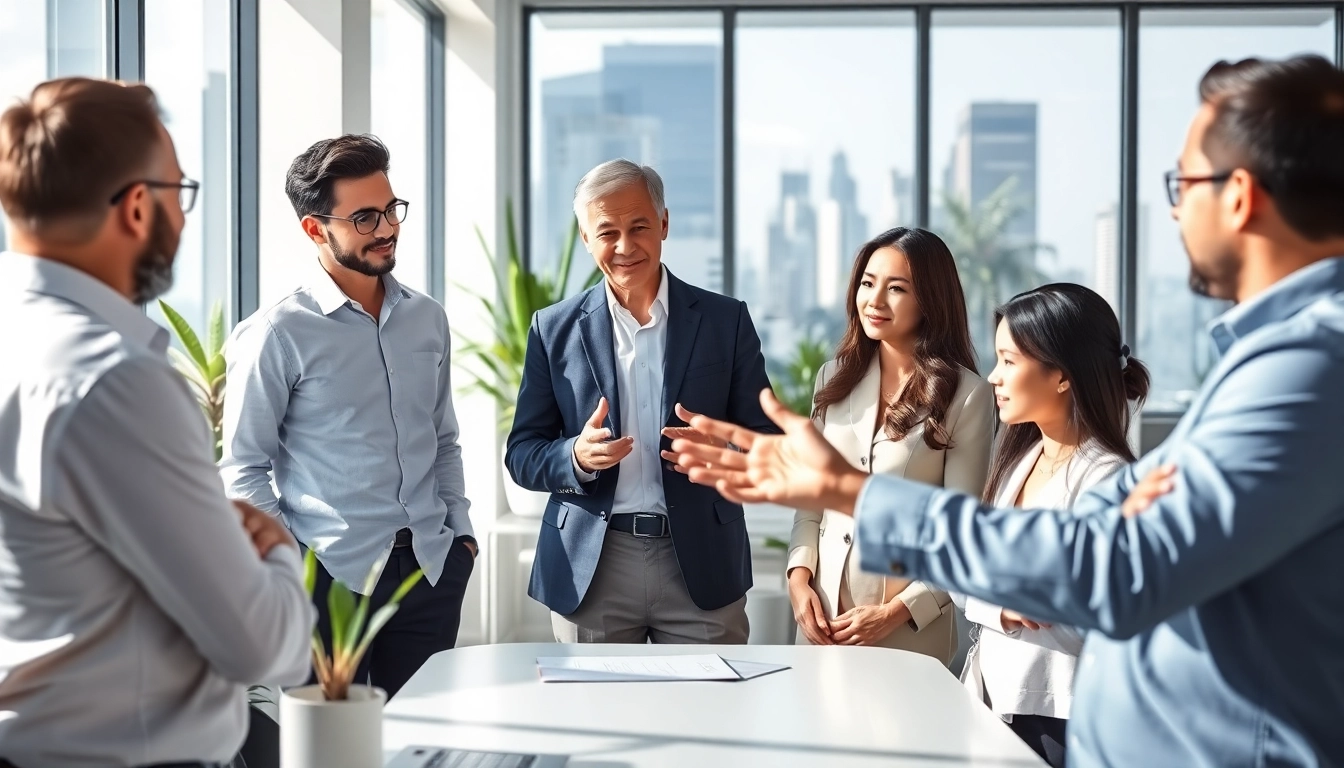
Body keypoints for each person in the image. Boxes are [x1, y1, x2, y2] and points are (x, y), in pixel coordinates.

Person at [666, 55, 1344, 767]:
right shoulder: (1273, 358)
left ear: (1240, 197)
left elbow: (1120, 568)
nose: (1176, 207)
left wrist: (849, 491)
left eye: (1184, 182)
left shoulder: (1309, 365)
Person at [0, 78, 313, 767]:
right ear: (139, 207)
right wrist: (278, 552)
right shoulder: (114, 383)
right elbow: (263, 647)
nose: (184, 214)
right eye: (180, 191)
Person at [221, 135, 475, 700]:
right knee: (332, 751)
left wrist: (462, 536)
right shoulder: (276, 333)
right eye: (364, 218)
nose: (386, 228)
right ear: (316, 229)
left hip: (431, 573)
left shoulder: (427, 319)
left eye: (391, 210)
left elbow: (443, 440)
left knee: (420, 744)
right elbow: (242, 468)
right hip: (330, 581)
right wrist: (295, 571)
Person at [505, 158, 775, 644]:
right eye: (607, 232)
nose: (625, 247)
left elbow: (772, 441)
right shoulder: (553, 329)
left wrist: (728, 448)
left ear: (664, 224)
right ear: (585, 239)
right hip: (591, 567)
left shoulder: (725, 321)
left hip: (700, 565)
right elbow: (522, 453)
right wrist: (575, 456)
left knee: (711, 718)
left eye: (640, 227)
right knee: (596, 719)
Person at [958, 284, 1148, 767]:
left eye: (1009, 361)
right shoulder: (1018, 461)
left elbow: (1089, 614)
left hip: (1061, 715)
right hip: (994, 699)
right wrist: (1002, 604)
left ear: (1061, 375)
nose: (993, 378)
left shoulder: (1108, 479)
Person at [786, 227, 991, 661]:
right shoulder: (832, 378)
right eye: (867, 283)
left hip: (907, 638)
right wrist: (799, 577)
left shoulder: (967, 395)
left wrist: (896, 612)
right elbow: (812, 502)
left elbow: (960, 536)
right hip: (822, 625)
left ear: (931, 299)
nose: (875, 301)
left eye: (896, 288)